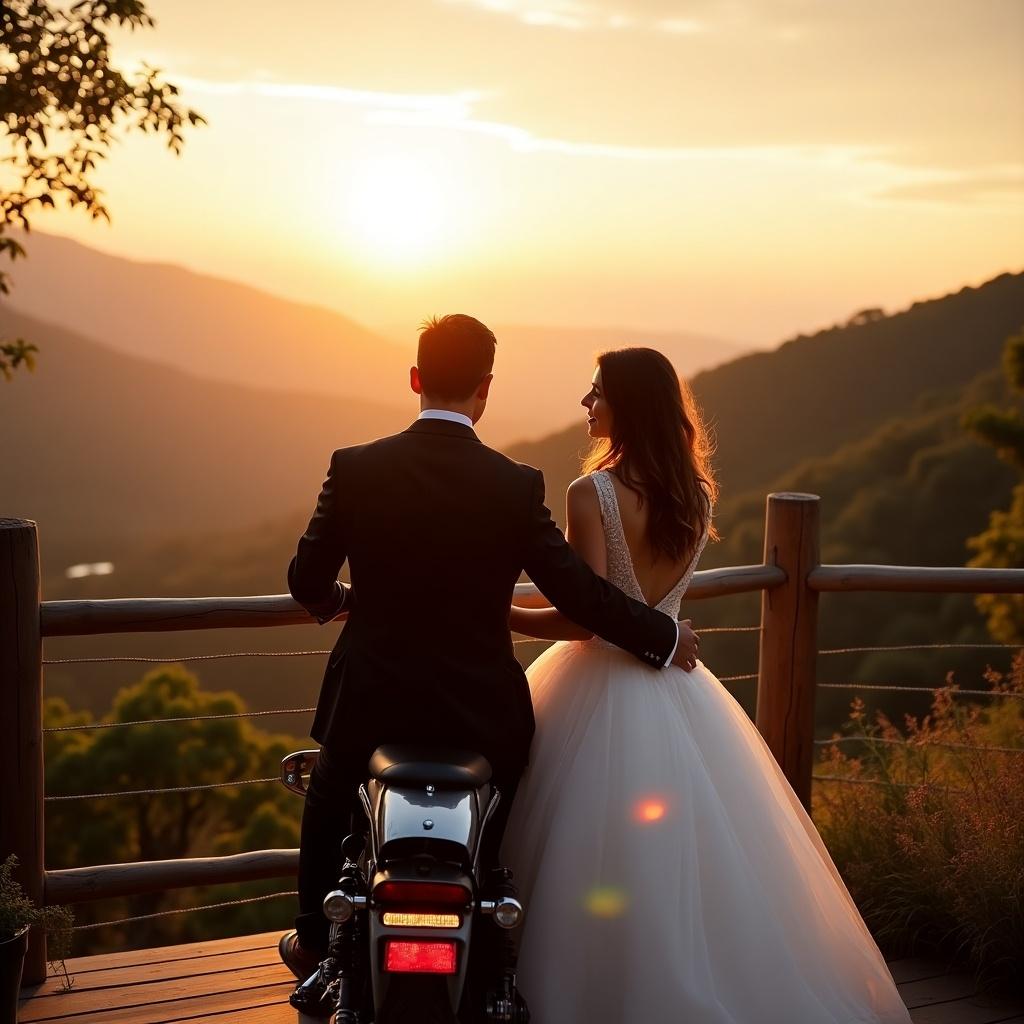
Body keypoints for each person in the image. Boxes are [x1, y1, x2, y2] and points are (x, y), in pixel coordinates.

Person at [280, 316, 699, 991]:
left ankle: (311, 944)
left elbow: (304, 582)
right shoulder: (515, 484)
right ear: (487, 388)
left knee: (330, 791)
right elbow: (583, 595)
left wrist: (344, 600)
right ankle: (488, 949)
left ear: (416, 380)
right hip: (481, 713)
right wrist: (665, 635)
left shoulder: (356, 467)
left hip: (371, 702)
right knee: (495, 828)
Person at [502, 347, 913, 1024]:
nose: (586, 403)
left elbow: (584, 619)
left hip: (596, 683)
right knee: (688, 852)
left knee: (580, 846)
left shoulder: (591, 493)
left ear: (628, 405)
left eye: (597, 392)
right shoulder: (696, 495)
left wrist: (506, 612)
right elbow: (637, 610)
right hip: (675, 689)